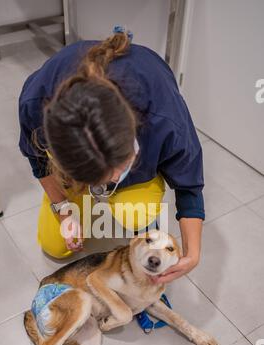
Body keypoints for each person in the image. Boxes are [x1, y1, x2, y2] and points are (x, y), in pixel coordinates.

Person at [18, 26, 205, 284]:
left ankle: (125, 189)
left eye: (116, 172)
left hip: (141, 146)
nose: (103, 188)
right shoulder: (36, 103)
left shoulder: (164, 118)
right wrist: (63, 210)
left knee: (136, 214)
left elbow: (190, 187)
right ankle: (79, 192)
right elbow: (37, 161)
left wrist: (193, 254)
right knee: (55, 246)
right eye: (93, 181)